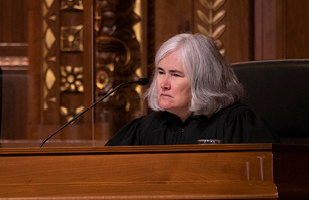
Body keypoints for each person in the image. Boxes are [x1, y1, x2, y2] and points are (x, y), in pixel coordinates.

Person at [105, 33, 279, 146]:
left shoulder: (236, 123)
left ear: (202, 81)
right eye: (160, 72)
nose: (164, 83)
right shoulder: (146, 128)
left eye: (176, 74)